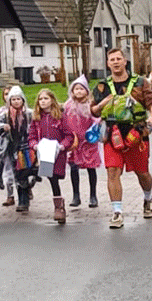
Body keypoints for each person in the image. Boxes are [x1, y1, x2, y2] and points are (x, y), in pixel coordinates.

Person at [90, 46, 152, 229]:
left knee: (142, 173)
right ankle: (117, 212)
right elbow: (93, 110)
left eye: (118, 59)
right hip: (112, 135)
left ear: (125, 61)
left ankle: (148, 198)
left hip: (136, 134)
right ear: (108, 63)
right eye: (112, 60)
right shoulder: (101, 86)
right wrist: (103, 104)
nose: (115, 62)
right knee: (112, 171)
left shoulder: (140, 82)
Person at [28, 88, 74, 223]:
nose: (43, 101)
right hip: (44, 153)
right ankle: (58, 206)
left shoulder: (60, 116)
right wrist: (35, 145)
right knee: (51, 177)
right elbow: (31, 136)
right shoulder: (37, 119)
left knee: (56, 176)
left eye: (46, 99)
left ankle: (59, 203)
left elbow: (68, 135)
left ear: (52, 100)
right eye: (41, 99)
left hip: (58, 152)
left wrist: (62, 146)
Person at [0, 86, 33, 212]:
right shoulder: (4, 115)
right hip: (11, 148)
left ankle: (25, 196)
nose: (16, 102)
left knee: (25, 173)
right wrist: (3, 128)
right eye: (13, 99)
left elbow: (35, 128)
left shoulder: (29, 114)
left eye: (18, 99)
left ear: (23, 100)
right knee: (16, 173)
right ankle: (20, 199)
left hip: (26, 148)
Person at [63, 75, 102, 208]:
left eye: (81, 89)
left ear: (86, 91)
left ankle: (93, 195)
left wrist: (95, 127)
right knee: (74, 168)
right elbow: (64, 121)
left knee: (91, 168)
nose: (78, 91)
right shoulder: (68, 105)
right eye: (76, 89)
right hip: (74, 142)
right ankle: (76, 195)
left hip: (89, 142)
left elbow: (96, 119)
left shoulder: (91, 105)